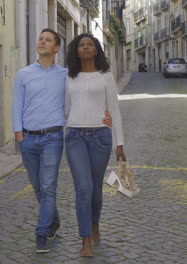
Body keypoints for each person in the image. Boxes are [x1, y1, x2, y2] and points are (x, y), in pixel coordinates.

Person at [11, 29, 111, 254]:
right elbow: (16, 104)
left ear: (56, 48)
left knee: (48, 187)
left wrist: (105, 115)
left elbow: (81, 98)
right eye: (40, 39)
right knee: (38, 187)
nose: (42, 42)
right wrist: (19, 135)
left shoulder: (67, 75)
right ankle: (53, 221)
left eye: (48, 40)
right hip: (27, 138)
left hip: (53, 138)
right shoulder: (23, 74)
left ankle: (42, 232)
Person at [64, 33, 126, 257]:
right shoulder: (70, 77)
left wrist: (119, 143)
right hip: (75, 137)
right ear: (76, 50)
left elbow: (115, 110)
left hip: (101, 136)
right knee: (83, 189)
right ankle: (85, 241)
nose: (86, 48)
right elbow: (66, 108)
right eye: (82, 45)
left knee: (96, 189)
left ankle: (95, 223)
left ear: (97, 49)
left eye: (90, 44)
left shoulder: (106, 77)